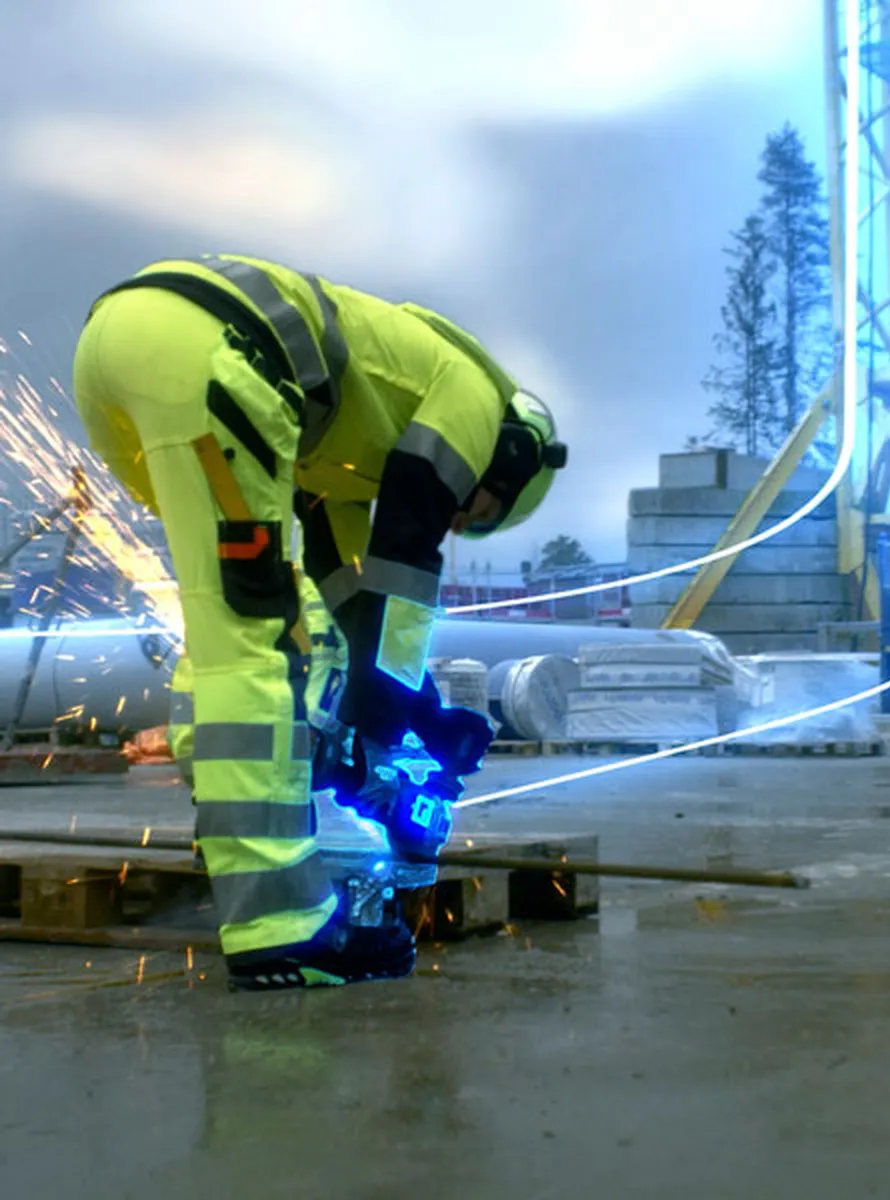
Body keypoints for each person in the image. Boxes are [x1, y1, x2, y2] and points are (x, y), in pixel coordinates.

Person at [72, 253, 568, 990]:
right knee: (256, 641)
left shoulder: (343, 451)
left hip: (119, 349)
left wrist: (420, 716)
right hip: (212, 353)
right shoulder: (473, 398)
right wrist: (385, 713)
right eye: (482, 506)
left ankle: (238, 829)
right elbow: (408, 543)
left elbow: (355, 599)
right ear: (513, 456)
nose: (463, 516)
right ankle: (279, 928)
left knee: (238, 619)